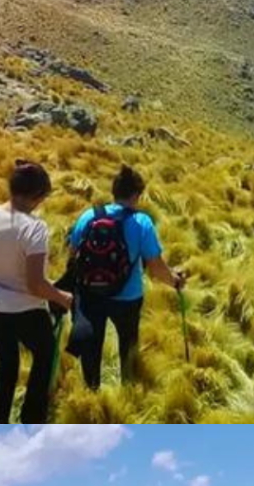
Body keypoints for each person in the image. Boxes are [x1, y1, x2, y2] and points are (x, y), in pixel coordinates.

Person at [0, 161, 72, 424]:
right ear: (37, 195)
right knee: (45, 355)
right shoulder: (35, 228)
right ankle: (32, 419)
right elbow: (35, 284)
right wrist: (63, 298)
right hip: (26, 310)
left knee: (6, 364)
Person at [67, 166, 185, 390]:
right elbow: (156, 267)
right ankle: (129, 393)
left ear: (115, 192)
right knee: (128, 346)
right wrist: (175, 281)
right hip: (127, 298)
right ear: (136, 195)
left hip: (90, 295)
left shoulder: (88, 216)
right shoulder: (142, 222)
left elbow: (72, 257)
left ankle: (90, 395)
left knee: (92, 348)